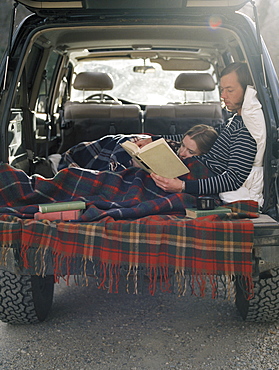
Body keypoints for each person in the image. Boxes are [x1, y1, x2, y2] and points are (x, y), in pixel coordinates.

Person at [150, 62, 258, 196]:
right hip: (191, 171)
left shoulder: (246, 130)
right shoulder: (233, 120)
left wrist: (182, 186)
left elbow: (233, 179)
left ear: (248, 91)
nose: (223, 96)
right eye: (222, 90)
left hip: (197, 178)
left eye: (230, 90)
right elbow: (199, 136)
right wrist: (152, 140)